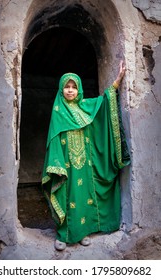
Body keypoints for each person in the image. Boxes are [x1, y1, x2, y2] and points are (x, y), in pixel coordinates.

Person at [42, 60, 130, 251]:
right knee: (67, 195)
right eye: (67, 87)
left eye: (74, 87)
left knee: (84, 197)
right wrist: (56, 163)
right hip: (66, 164)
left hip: (85, 164)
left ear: (79, 89)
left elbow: (103, 103)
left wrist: (117, 81)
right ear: (61, 89)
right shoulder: (58, 111)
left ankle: (83, 232)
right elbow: (54, 139)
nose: (71, 90)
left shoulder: (85, 107)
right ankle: (63, 235)